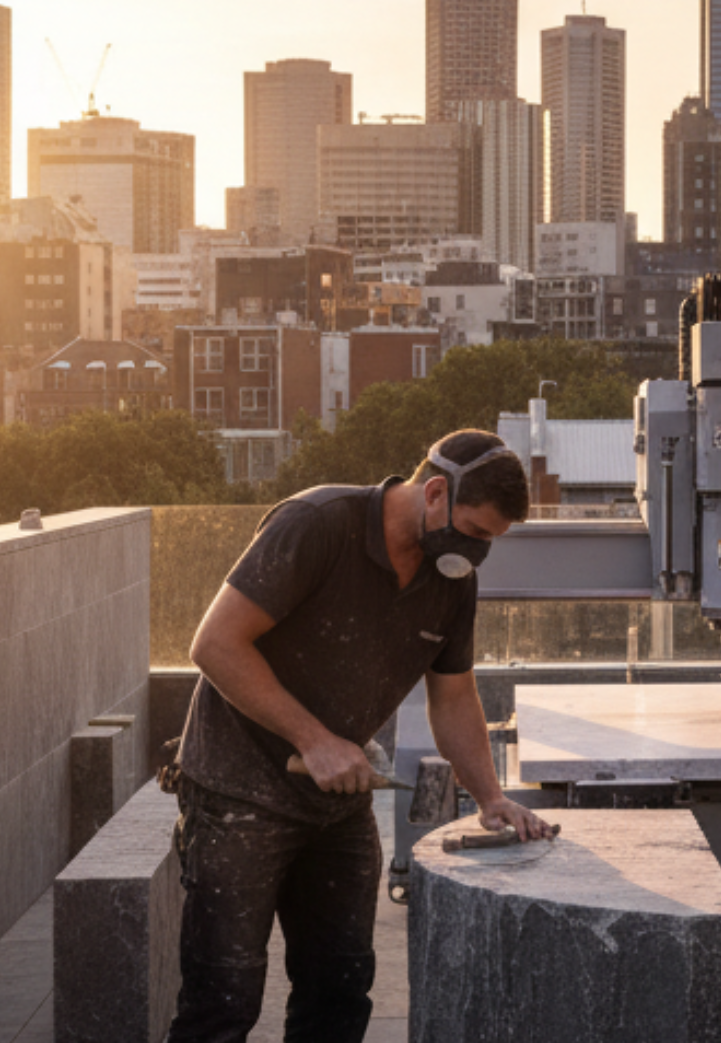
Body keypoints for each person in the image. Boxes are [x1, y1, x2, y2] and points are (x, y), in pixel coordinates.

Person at [166, 429, 553, 1043]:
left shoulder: (450, 578)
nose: (476, 553)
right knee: (223, 999)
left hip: (337, 806)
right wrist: (314, 740)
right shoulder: (318, 524)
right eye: (475, 533)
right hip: (238, 795)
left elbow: (452, 696)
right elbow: (214, 644)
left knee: (340, 991)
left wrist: (491, 798)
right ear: (434, 492)